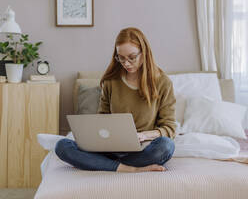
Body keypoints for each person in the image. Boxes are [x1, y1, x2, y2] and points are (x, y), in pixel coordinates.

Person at [55, 27, 177, 172]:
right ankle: (127, 168)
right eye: (121, 58)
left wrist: (144, 135)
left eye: (132, 57)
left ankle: (100, 164)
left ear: (144, 53)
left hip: (143, 147)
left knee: (166, 146)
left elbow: (169, 127)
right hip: (111, 147)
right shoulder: (111, 82)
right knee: (62, 146)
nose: (126, 63)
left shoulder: (163, 82)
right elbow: (102, 119)